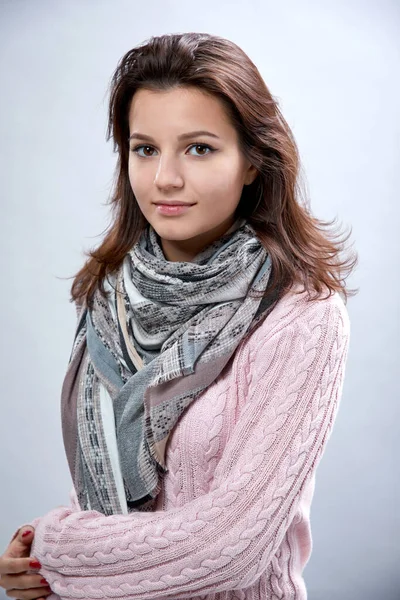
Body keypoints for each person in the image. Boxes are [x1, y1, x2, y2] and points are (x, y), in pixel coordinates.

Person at [0, 32, 357, 600]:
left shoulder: (303, 315)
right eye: (145, 149)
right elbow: (113, 479)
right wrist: (38, 572)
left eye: (199, 148)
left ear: (251, 162)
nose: (165, 178)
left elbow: (230, 550)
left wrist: (55, 547)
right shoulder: (111, 296)